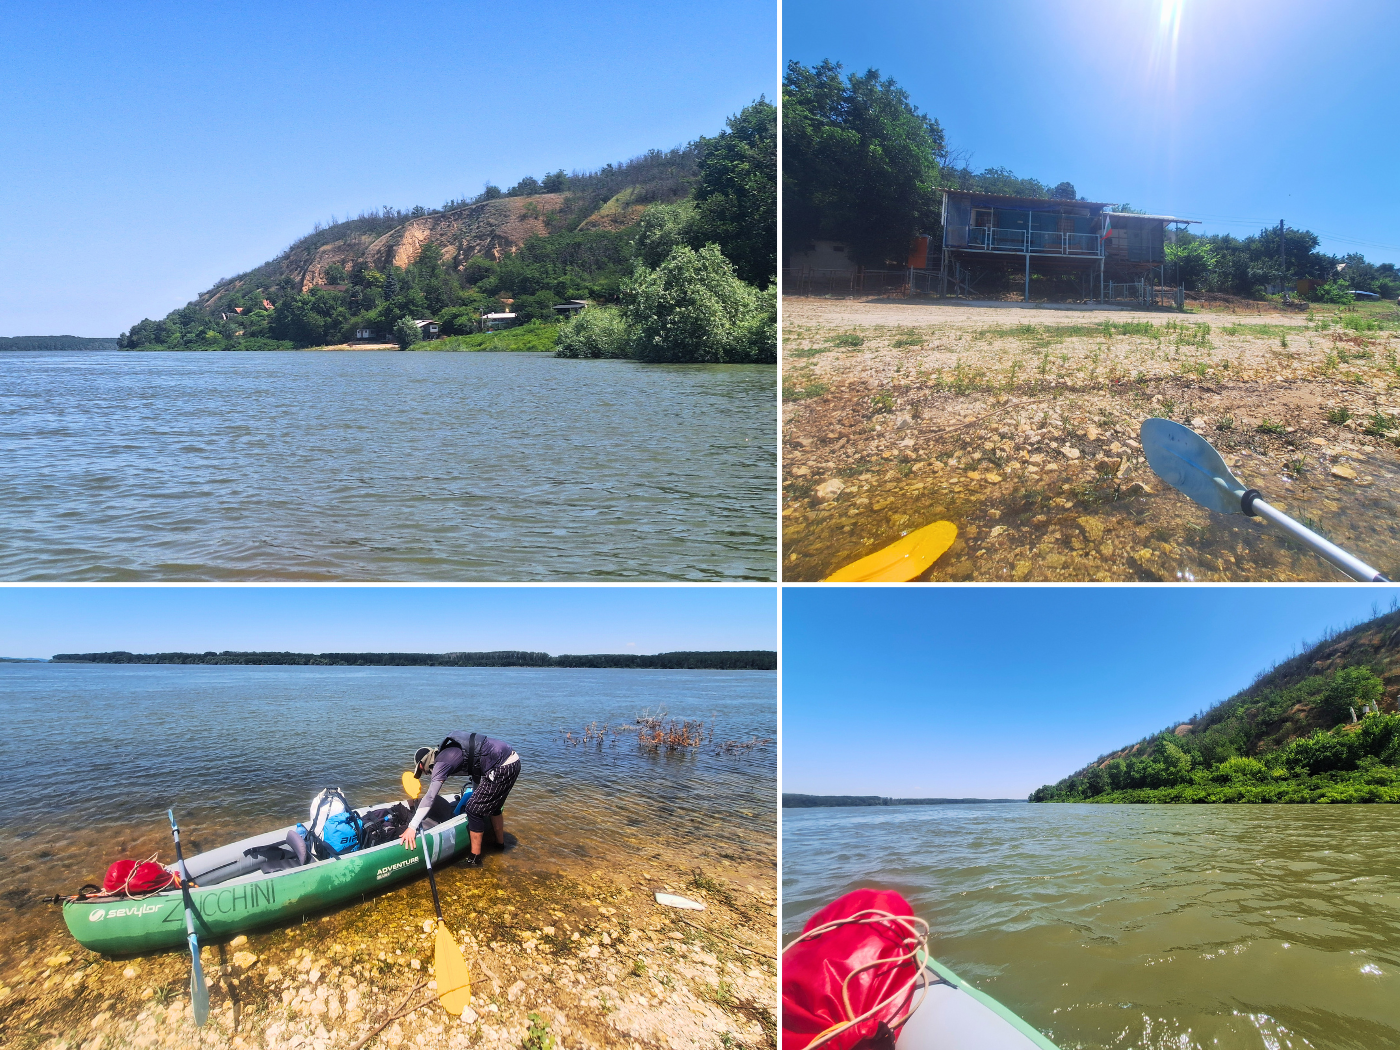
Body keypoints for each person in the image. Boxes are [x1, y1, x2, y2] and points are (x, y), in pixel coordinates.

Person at [399, 731, 519, 866]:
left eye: (422, 770)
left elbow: (430, 796)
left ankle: (474, 860)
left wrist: (412, 826)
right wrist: (477, 795)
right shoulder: (450, 752)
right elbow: (476, 771)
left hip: (502, 766)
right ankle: (499, 845)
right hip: (512, 760)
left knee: (473, 809)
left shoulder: (441, 762)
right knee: (493, 807)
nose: (425, 774)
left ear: (423, 763)